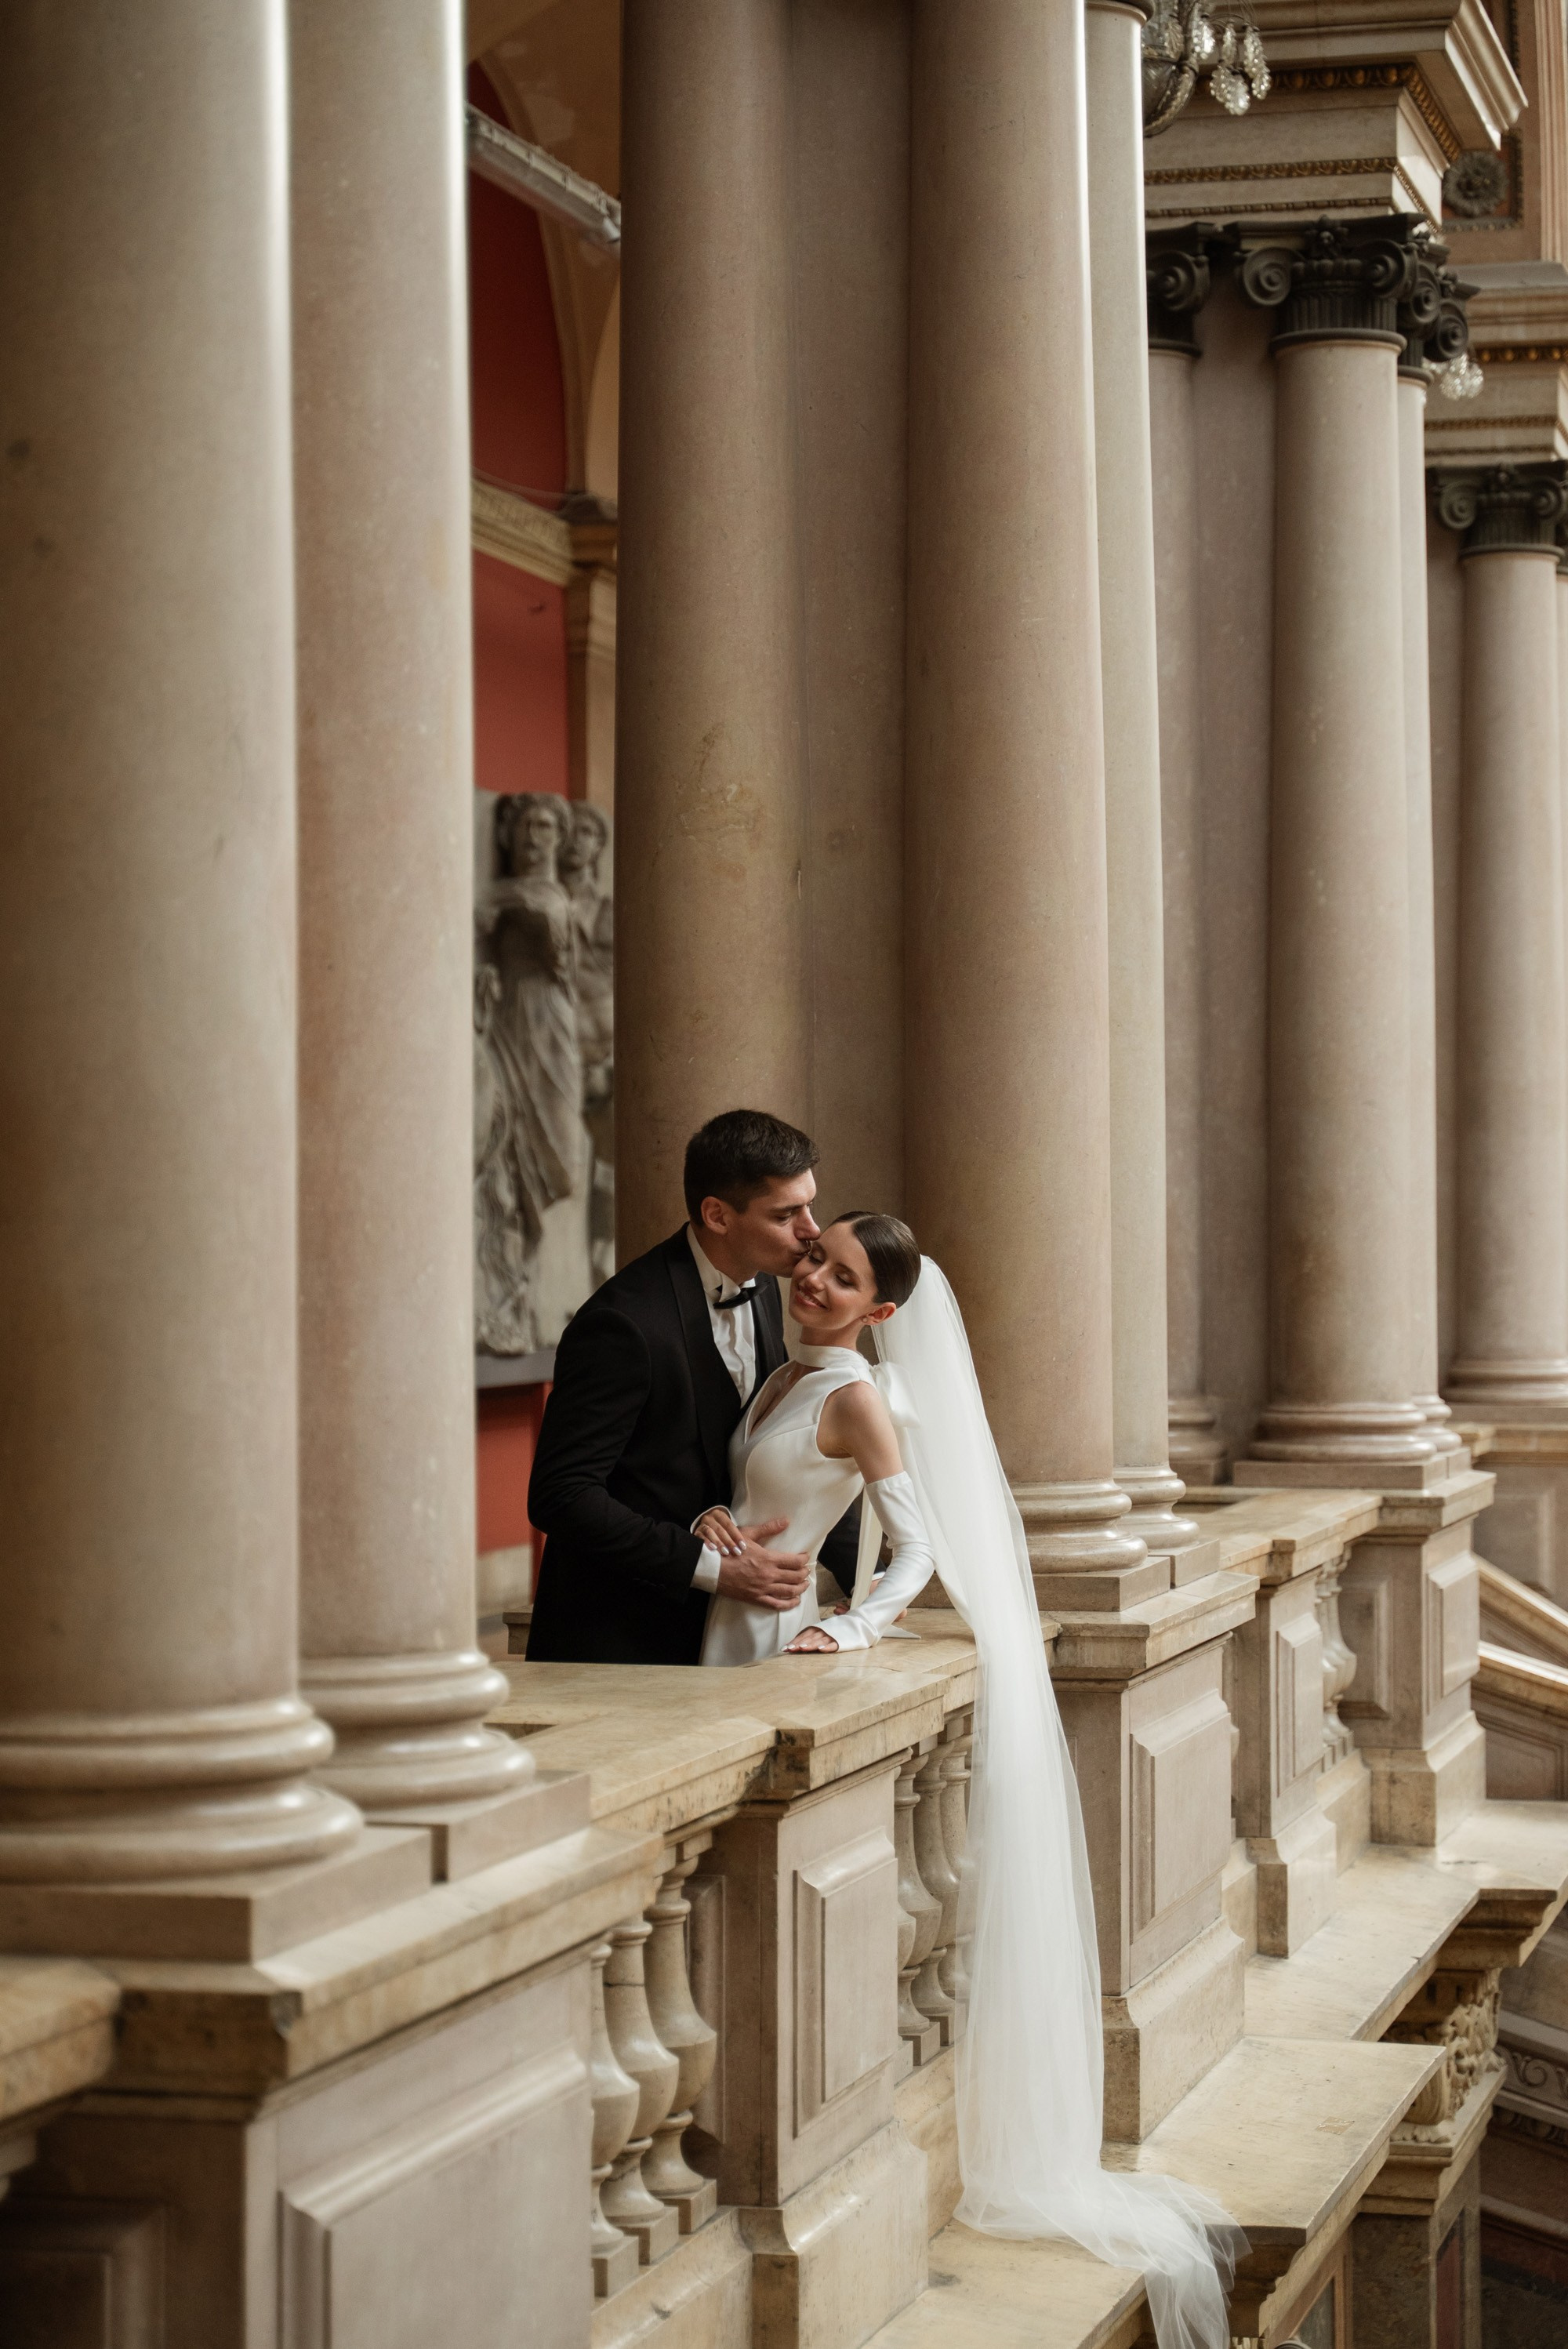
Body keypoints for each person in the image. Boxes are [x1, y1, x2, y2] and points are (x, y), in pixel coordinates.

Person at [692, 1207, 1242, 2349]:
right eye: (812, 1260)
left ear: (882, 1312)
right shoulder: (783, 1376)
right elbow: (758, 1501)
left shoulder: (858, 1400)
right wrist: (720, 1527)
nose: (813, 1280)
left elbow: (919, 1544)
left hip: (778, 1637)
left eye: (841, 1278)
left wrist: (853, 1633)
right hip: (722, 1621)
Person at [524, 1109, 860, 1664]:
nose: (811, 1231)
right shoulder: (623, 1323)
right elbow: (562, 1495)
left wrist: (866, 1580)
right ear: (717, 1215)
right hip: (620, 1648)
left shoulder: (769, 1289)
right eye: (786, 1214)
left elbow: (797, 1447)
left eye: (810, 1205)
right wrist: (711, 1567)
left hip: (729, 1639)